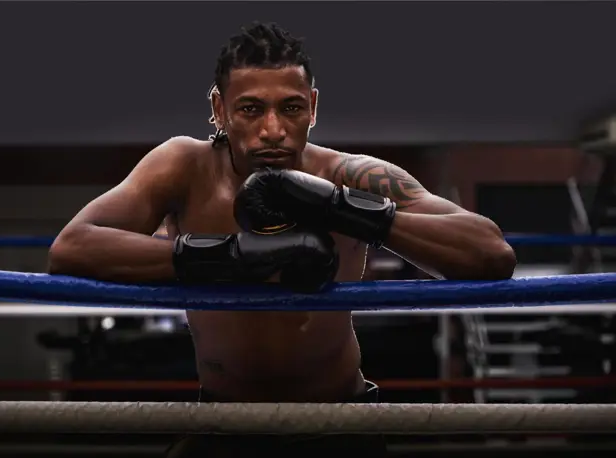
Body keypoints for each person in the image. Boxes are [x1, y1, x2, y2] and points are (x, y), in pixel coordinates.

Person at [48, 22, 517, 457]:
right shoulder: (183, 168)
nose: (272, 131)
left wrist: (344, 209)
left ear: (312, 106)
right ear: (219, 110)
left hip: (338, 422)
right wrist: (231, 256)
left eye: (290, 108)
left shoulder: (348, 175)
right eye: (250, 109)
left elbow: (491, 252)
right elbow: (73, 248)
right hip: (225, 423)